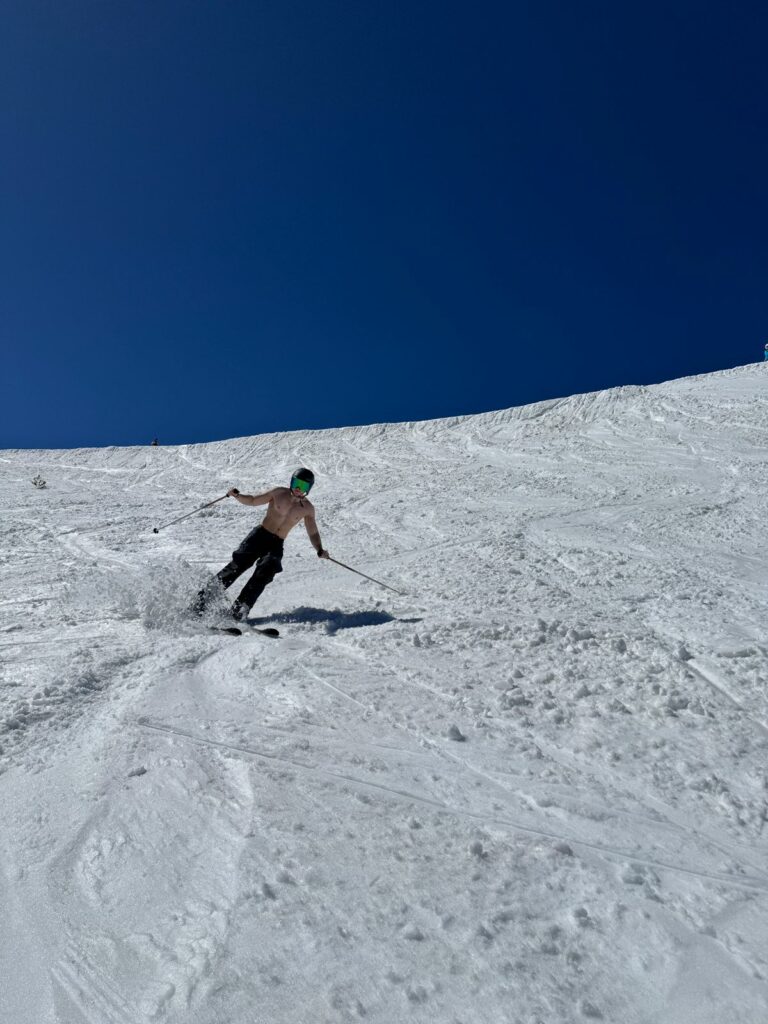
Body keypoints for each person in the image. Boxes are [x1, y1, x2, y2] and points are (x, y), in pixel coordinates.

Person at [193, 468, 329, 621]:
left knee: (265, 572)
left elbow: (313, 532)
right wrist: (237, 495)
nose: (298, 489)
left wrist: (319, 549)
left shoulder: (308, 509)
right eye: (296, 483)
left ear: (308, 489)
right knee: (236, 567)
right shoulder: (278, 493)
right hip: (259, 535)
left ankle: (238, 611)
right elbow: (252, 500)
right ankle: (200, 604)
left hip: (277, 543)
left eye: (303, 486)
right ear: (291, 482)